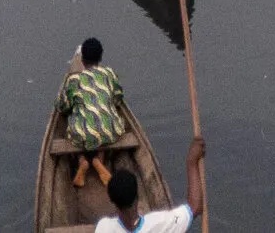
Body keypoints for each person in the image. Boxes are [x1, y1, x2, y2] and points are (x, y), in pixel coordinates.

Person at [56, 37, 127, 190]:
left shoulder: (73, 79)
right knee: (105, 127)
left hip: (82, 135)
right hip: (111, 133)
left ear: (82, 60)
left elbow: (62, 107)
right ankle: (99, 160)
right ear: (100, 58)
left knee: (76, 128)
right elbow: (118, 98)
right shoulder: (109, 73)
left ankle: (82, 161)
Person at [98, 137, 206, 233]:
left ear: (112, 201)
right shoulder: (159, 224)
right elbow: (195, 207)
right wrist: (192, 162)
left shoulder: (104, 227)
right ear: (137, 197)